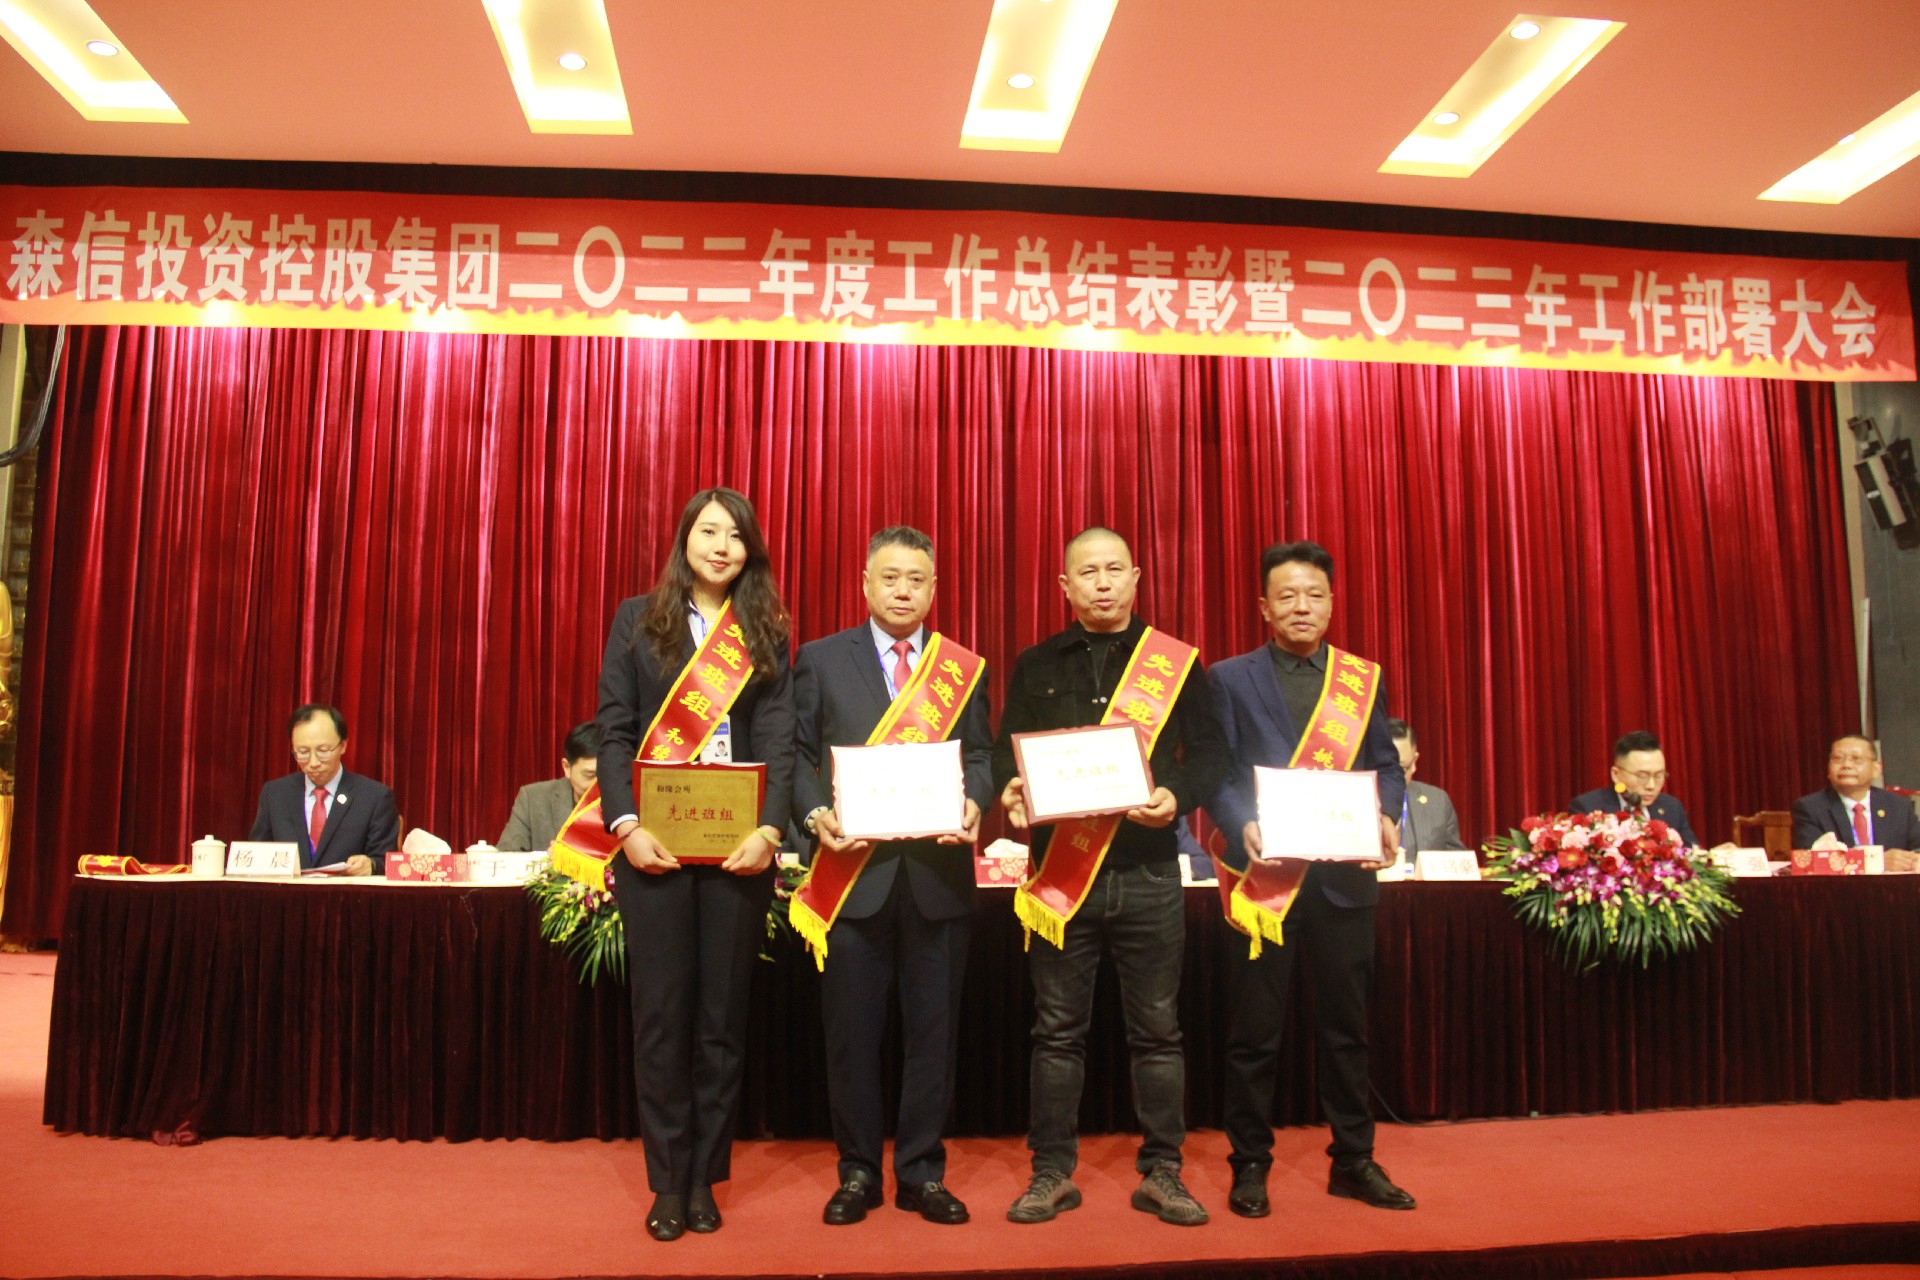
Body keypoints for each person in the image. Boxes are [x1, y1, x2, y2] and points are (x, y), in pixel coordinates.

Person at [993, 527, 1228, 1227]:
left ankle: (1163, 1172)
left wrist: (1176, 795)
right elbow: (1009, 754)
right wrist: (1012, 789)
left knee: (1157, 1031)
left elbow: (1210, 755)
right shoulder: (1037, 663)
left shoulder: (1175, 665)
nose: (1102, 582)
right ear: (1065, 586)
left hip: (1148, 874)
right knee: (1056, 1032)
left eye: (1114, 570)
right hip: (1061, 880)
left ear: (1136, 577)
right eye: (1087, 572)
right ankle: (1050, 1173)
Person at [595, 487, 795, 1243]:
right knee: (662, 1022)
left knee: (720, 1023)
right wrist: (625, 825)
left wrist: (770, 830)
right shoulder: (637, 619)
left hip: (738, 851)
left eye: (736, 536)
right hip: (655, 847)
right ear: (685, 539)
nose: (721, 546)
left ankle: (706, 1177)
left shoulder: (764, 627)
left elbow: (778, 736)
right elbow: (614, 729)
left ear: (750, 551)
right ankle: (667, 1181)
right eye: (709, 531)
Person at [791, 526, 993, 1227]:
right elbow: (797, 755)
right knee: (851, 1036)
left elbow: (983, 756)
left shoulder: (961, 668)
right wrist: (814, 813)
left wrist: (975, 799)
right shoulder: (820, 659)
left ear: (933, 589)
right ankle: (856, 1172)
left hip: (938, 879)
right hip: (853, 878)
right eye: (890, 577)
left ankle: (921, 1172)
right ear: (866, 584)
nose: (903, 591)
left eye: (916, 580)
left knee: (934, 1036)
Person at [1207, 540, 1416, 1218]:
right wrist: (1241, 823)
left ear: (1330, 603)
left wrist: (1385, 815)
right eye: (1287, 595)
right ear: (1264, 606)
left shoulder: (1360, 680)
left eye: (1314, 594)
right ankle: (1249, 1163)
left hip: (1344, 883)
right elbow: (1218, 772)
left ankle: (1354, 1160)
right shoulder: (1228, 678)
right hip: (1266, 883)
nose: (1302, 606)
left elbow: (1386, 765)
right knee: (1254, 1033)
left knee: (1347, 1030)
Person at [247, 704, 398, 875]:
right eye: (303, 752)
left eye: (323, 751)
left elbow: (388, 862)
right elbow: (255, 855)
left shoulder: (374, 797)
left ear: (343, 746)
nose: (313, 763)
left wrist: (371, 865)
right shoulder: (275, 794)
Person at [1791, 735, 1920, 871]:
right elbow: (1809, 861)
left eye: (1856, 759)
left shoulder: (1898, 806)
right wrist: (1877, 861)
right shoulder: (1809, 808)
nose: (1846, 765)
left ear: (1876, 768)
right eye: (1838, 759)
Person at [1569, 730, 1701, 848]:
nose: (1651, 786)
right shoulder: (1588, 807)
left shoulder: (1672, 807)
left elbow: (1693, 855)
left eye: (1658, 776)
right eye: (1642, 776)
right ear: (1616, 775)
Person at [496, 721, 599, 851]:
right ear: (567, 767)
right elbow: (506, 856)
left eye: (607, 776)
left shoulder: (623, 801)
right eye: (590, 775)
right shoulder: (533, 799)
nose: (598, 785)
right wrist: (547, 860)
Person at [1386, 718, 1464, 865]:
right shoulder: (1350, 801)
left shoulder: (1438, 802)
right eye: (1385, 769)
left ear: (1414, 762)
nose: (1392, 778)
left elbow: (1456, 862)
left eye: (1401, 769)